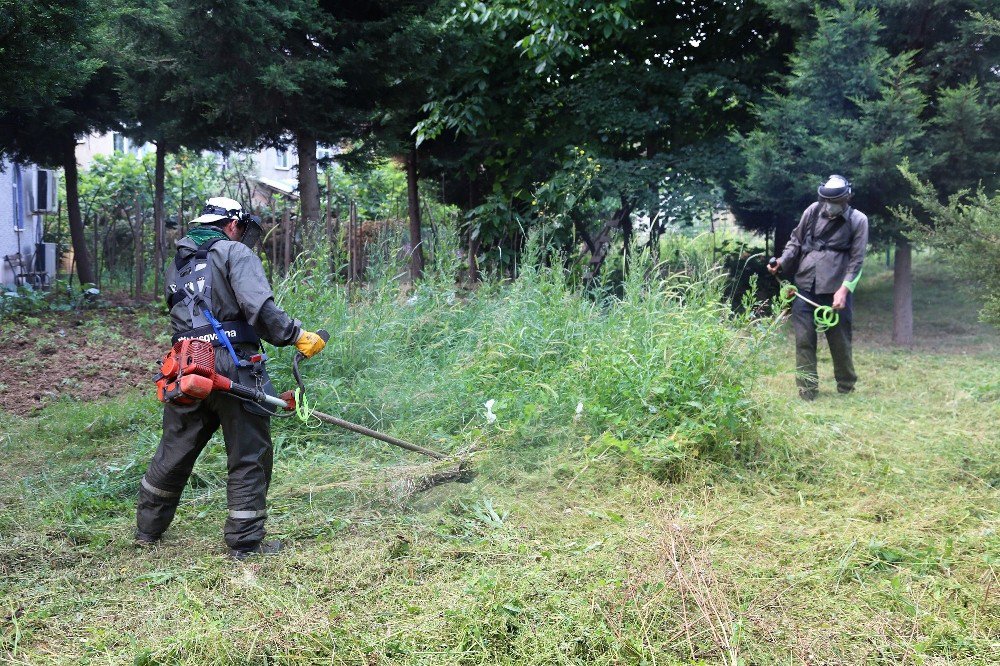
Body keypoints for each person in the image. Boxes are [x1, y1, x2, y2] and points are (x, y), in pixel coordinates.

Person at [136, 197, 326, 558]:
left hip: (187, 365)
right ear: (233, 224)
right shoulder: (234, 253)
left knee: (174, 449)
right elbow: (261, 309)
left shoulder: (177, 264)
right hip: (234, 362)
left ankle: (148, 530)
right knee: (248, 452)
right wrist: (297, 335)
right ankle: (245, 542)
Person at [768, 175, 868, 400]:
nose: (830, 205)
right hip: (805, 284)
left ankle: (846, 386)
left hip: (836, 290)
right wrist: (782, 262)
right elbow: (795, 241)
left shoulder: (858, 220)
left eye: (835, 201)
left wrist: (844, 290)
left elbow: (857, 260)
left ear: (846, 199)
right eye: (826, 200)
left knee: (840, 341)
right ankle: (807, 389)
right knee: (804, 340)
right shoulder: (812, 211)